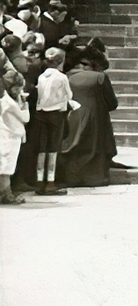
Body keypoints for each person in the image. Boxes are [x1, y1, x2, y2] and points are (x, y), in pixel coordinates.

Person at [57, 45, 117, 187]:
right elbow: (112, 102)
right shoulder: (100, 77)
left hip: (72, 115)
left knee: (73, 144)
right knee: (95, 145)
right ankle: (94, 177)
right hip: (96, 117)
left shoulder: (67, 76)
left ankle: (71, 177)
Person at [30, 45, 75, 195]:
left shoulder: (42, 76)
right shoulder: (62, 77)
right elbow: (69, 95)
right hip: (56, 114)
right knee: (53, 147)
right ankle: (50, 181)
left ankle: (38, 181)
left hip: (41, 113)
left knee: (42, 147)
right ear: (61, 61)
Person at [0, 66, 28, 204]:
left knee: (5, 165)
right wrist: (24, 105)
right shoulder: (10, 103)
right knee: (7, 167)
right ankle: (6, 194)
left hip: (7, 134)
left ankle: (5, 192)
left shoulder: (4, 100)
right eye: (17, 88)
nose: (19, 91)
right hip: (10, 136)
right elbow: (25, 118)